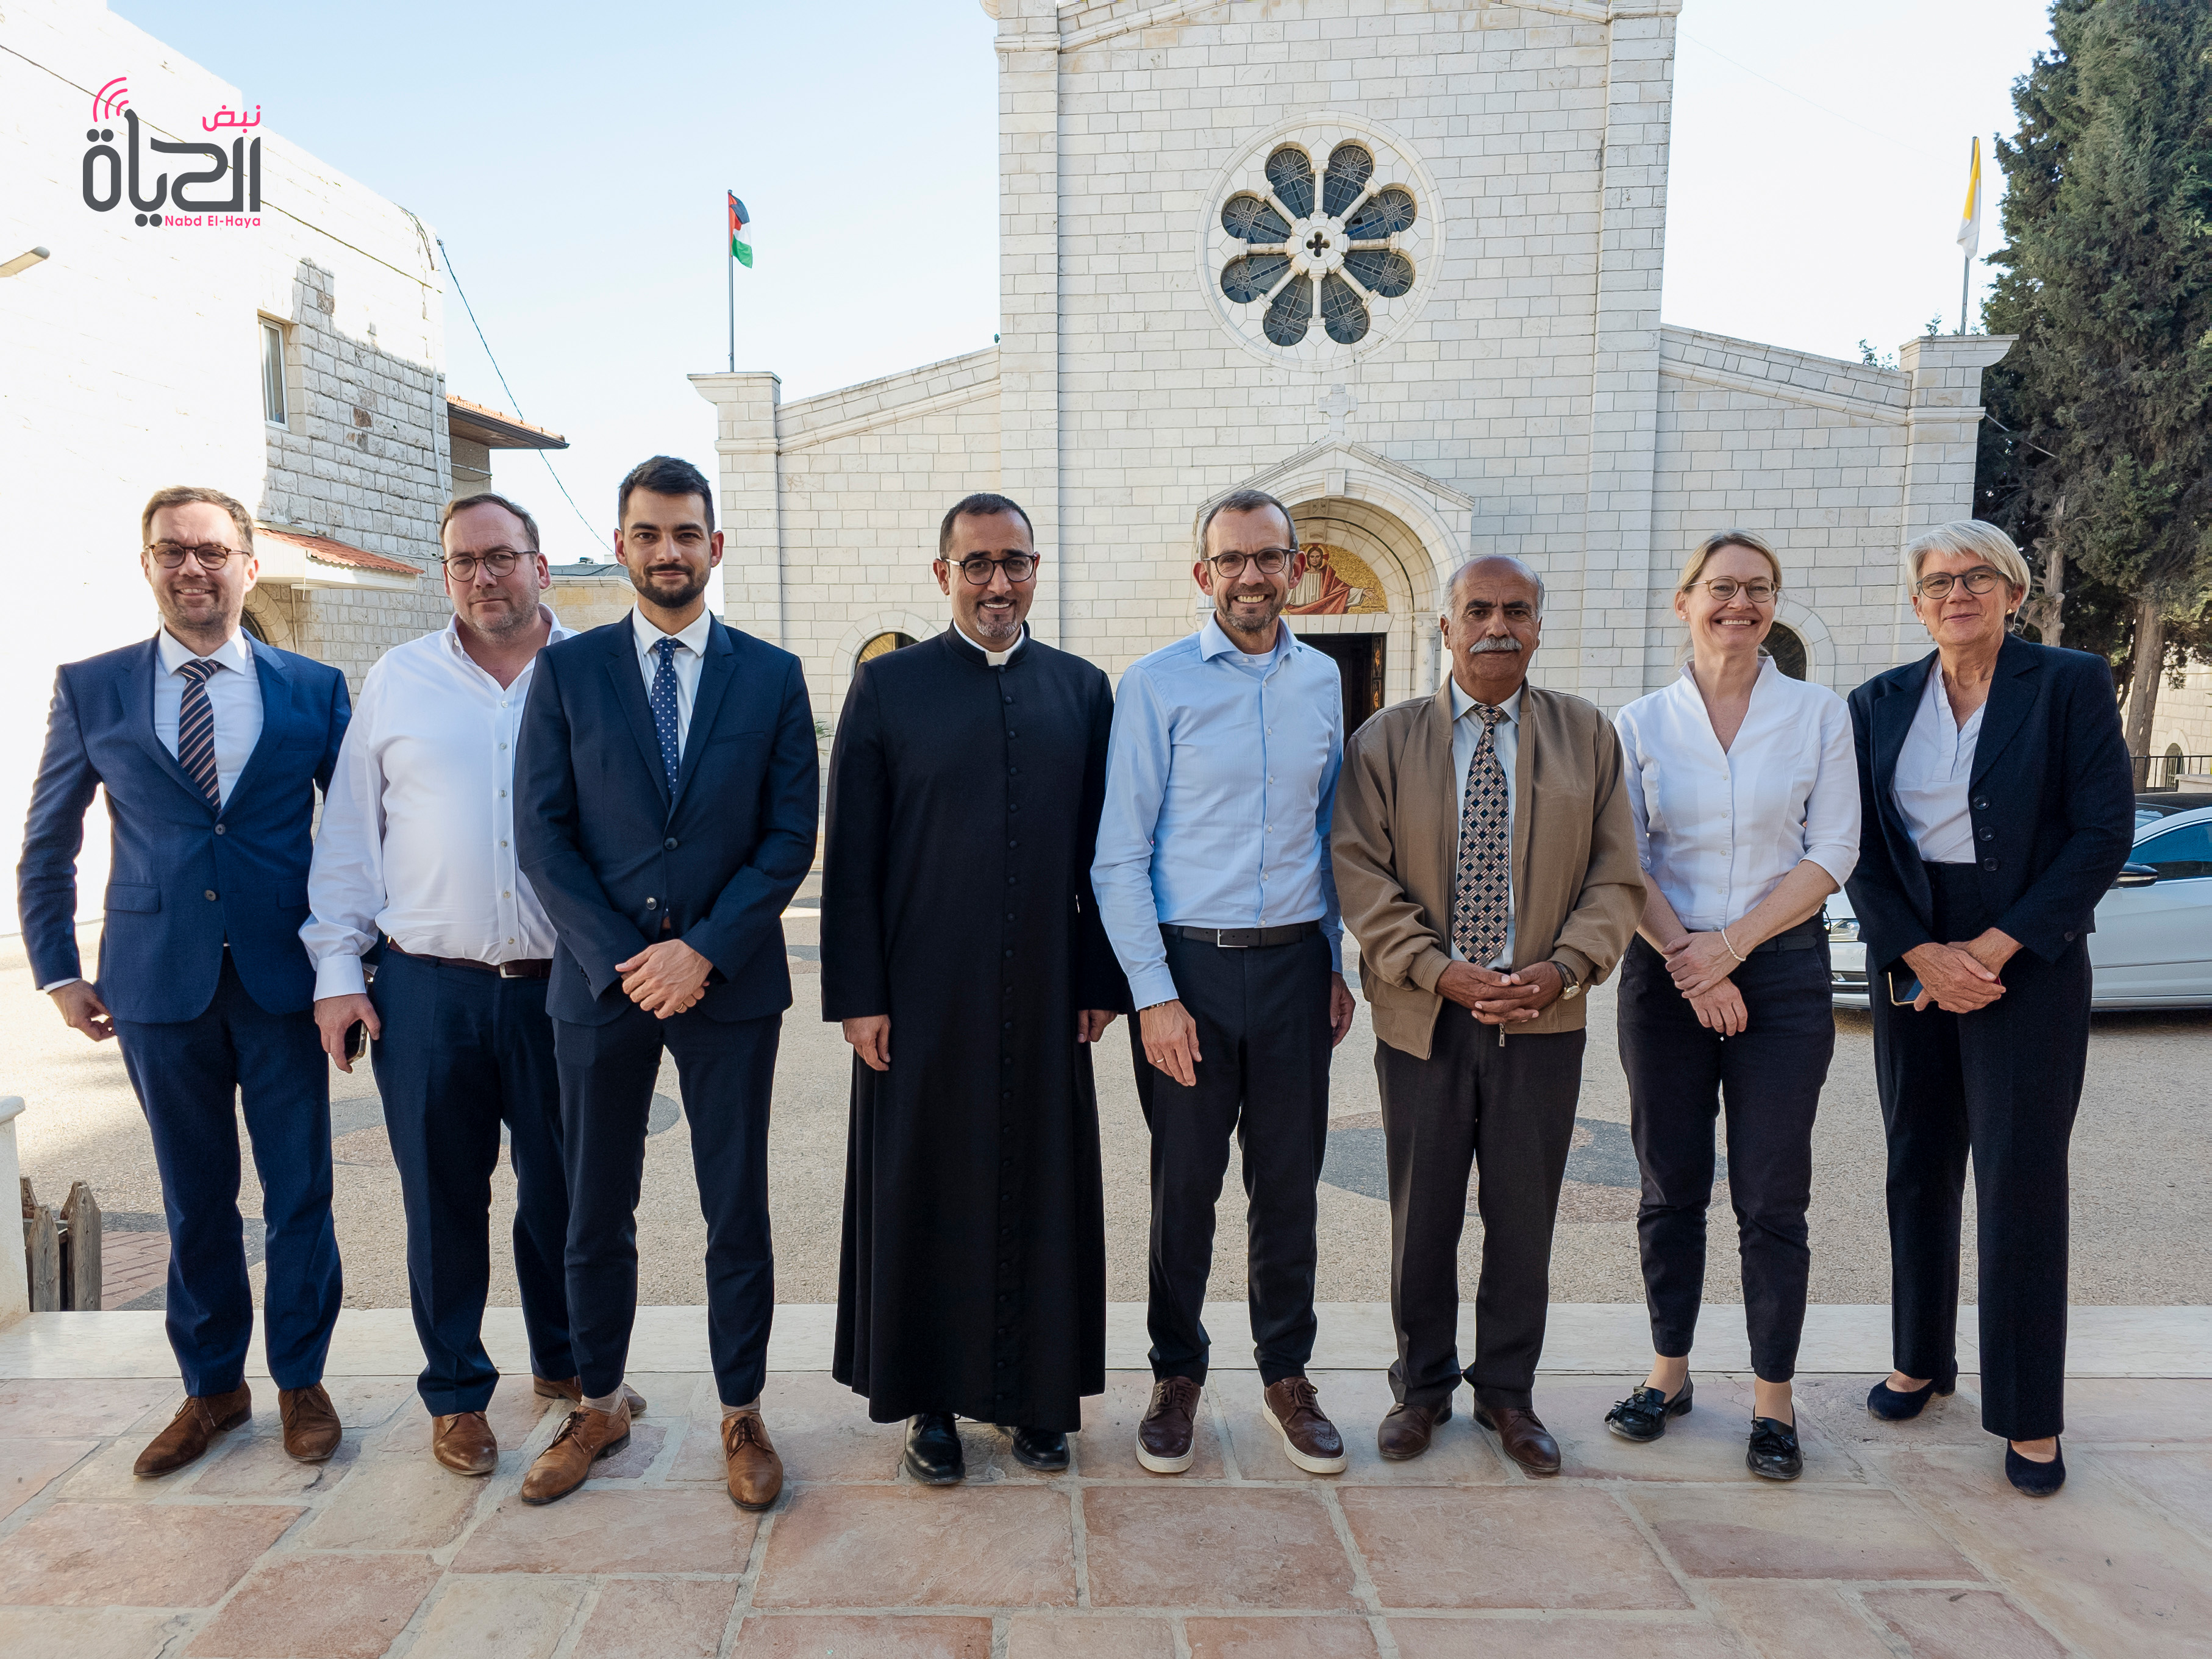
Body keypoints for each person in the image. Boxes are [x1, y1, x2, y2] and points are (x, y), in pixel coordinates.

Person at [303, 493, 643, 1478]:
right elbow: (350, 837)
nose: (483, 576)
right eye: (464, 561)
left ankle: (568, 1364)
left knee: (567, 1194)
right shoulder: (399, 680)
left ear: (541, 565)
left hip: (563, 986)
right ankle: (455, 1393)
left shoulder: (597, 673)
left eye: (501, 556)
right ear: (447, 573)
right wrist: (338, 972)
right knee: (442, 1198)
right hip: (428, 989)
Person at [18, 486, 349, 1476]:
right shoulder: (94, 687)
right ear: (148, 565)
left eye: (211, 550)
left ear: (250, 565)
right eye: (172, 550)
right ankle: (213, 1388)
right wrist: (57, 970)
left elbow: (362, 837)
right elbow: (48, 841)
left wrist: (355, 960)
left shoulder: (313, 688)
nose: (192, 567)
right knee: (194, 1196)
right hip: (155, 983)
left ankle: (301, 1380)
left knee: (300, 1192)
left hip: (286, 979)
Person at [514, 455, 818, 1508]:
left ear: (714, 545)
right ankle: (597, 1402)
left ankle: (742, 1410)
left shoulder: (771, 675)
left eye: (686, 532)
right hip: (601, 987)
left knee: (736, 1206)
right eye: (647, 533)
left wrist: (704, 949)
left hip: (728, 984)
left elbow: (790, 834)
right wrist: (625, 957)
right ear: (621, 545)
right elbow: (542, 834)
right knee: (594, 1207)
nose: (668, 550)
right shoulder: (567, 672)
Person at [822, 492, 1128, 1485]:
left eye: (1016, 562)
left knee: (1044, 1185)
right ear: (943, 573)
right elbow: (853, 855)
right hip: (923, 996)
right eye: (978, 563)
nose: (999, 582)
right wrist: (860, 995)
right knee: (927, 1188)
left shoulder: (1081, 690)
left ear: (1037, 570)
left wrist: (1099, 979)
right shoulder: (888, 687)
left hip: (1047, 988)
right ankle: (931, 1403)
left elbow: (1105, 854)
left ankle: (1039, 1398)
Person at [1332, 555, 1643, 1476]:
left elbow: (1616, 875)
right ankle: (1421, 1388)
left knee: (1522, 1215)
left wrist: (1564, 969)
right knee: (1423, 1214)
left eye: (1516, 611)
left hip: (1541, 1018)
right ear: (1446, 626)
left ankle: (1508, 1392)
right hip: (1423, 1019)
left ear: (1539, 627)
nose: (1496, 626)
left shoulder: (1587, 735)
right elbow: (1360, 873)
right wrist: (1439, 971)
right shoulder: (1386, 741)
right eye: (1478, 610)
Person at [1848, 519, 2133, 1497]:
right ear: (1917, 603)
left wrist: (1994, 948)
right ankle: (1919, 1360)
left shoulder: (2069, 683)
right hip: (1913, 948)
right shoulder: (1878, 701)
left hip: (2029, 956)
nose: (1957, 593)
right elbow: (1859, 843)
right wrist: (1920, 949)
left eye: (1978, 577)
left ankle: (2029, 1412)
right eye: (1938, 582)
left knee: (2020, 1179)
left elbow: (2102, 832)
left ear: (2014, 592)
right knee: (1917, 1161)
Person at [1092, 486, 1359, 1479]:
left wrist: (1332, 958)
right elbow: (1119, 855)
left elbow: (1328, 833)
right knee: (1186, 1190)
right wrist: (1154, 996)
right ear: (1204, 572)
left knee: (1288, 1187)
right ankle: (1177, 1375)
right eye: (1233, 559)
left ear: (1296, 566)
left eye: (1269, 556)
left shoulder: (1323, 680)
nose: (1252, 575)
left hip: (1293, 966)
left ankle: (1287, 1374)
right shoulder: (1155, 685)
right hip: (1189, 973)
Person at [1605, 531, 1858, 1481]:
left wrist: (1732, 949)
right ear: (1685, 602)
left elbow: (1834, 850)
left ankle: (1772, 1399)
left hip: (1781, 975)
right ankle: (1667, 1374)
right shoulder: (1640, 722)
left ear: (1774, 604)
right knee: (1669, 1186)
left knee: (1770, 1193)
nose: (1739, 603)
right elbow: (1623, 858)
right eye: (1721, 587)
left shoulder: (1818, 714)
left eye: (1758, 588)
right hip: (1665, 976)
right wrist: (1692, 963)